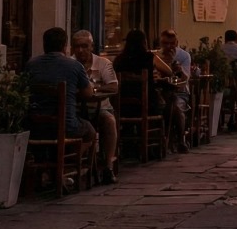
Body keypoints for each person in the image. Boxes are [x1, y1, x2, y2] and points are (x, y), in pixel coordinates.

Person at [27, 27, 98, 182]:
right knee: (90, 132)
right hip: (66, 126)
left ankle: (49, 169)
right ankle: (67, 165)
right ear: (65, 46)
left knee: (51, 134)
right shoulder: (74, 66)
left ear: (44, 45)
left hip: (36, 126)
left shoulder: (31, 65)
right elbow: (88, 94)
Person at [70, 30, 118, 182]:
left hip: (100, 108)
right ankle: (72, 166)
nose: (80, 50)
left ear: (92, 46)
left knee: (109, 121)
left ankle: (108, 166)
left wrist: (94, 89)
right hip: (76, 110)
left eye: (84, 46)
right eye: (77, 47)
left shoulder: (103, 63)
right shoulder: (70, 64)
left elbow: (113, 87)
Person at [114, 29, 172, 123]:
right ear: (144, 42)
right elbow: (169, 71)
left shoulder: (119, 59)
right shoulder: (149, 57)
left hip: (122, 107)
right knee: (168, 104)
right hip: (148, 106)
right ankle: (164, 134)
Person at [158, 28, 192, 152]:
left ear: (176, 43)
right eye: (165, 43)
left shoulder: (183, 56)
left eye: (171, 43)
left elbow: (185, 80)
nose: (168, 46)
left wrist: (177, 69)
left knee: (175, 107)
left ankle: (181, 139)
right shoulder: (156, 56)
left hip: (179, 92)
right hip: (160, 92)